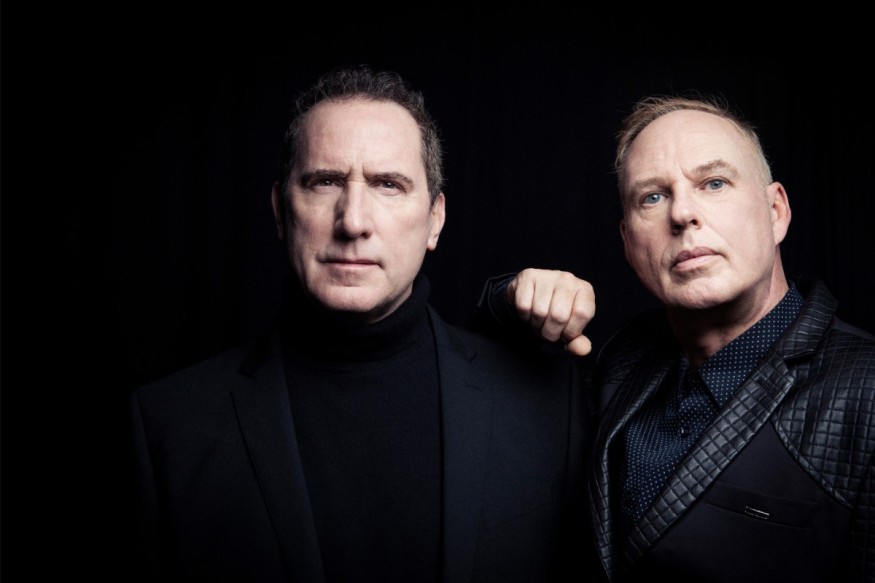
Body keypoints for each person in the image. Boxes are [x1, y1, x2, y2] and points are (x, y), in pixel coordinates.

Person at [126, 65, 599, 582]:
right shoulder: (168, 426)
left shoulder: (548, 403)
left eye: (388, 185)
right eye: (325, 182)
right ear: (281, 212)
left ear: (435, 220)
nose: (352, 221)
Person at [483, 94, 875, 581]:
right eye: (652, 197)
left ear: (775, 211)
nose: (683, 213)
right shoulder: (622, 360)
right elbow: (482, 401)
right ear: (628, 242)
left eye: (714, 183)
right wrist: (509, 300)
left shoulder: (865, 390)